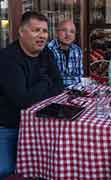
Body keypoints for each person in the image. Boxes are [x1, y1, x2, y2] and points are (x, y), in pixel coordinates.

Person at [0, 11, 63, 179]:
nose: (42, 35)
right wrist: (45, 81)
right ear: (21, 32)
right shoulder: (8, 58)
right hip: (10, 126)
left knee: (52, 166)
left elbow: (59, 85)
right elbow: (22, 100)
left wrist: (39, 87)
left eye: (44, 31)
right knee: (6, 171)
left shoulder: (46, 53)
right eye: (36, 30)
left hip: (40, 125)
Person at [48, 19, 83, 88]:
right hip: (53, 93)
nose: (68, 34)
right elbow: (51, 80)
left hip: (73, 91)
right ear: (57, 32)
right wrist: (72, 80)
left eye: (72, 32)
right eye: (64, 30)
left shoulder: (77, 50)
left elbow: (79, 76)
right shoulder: (48, 50)